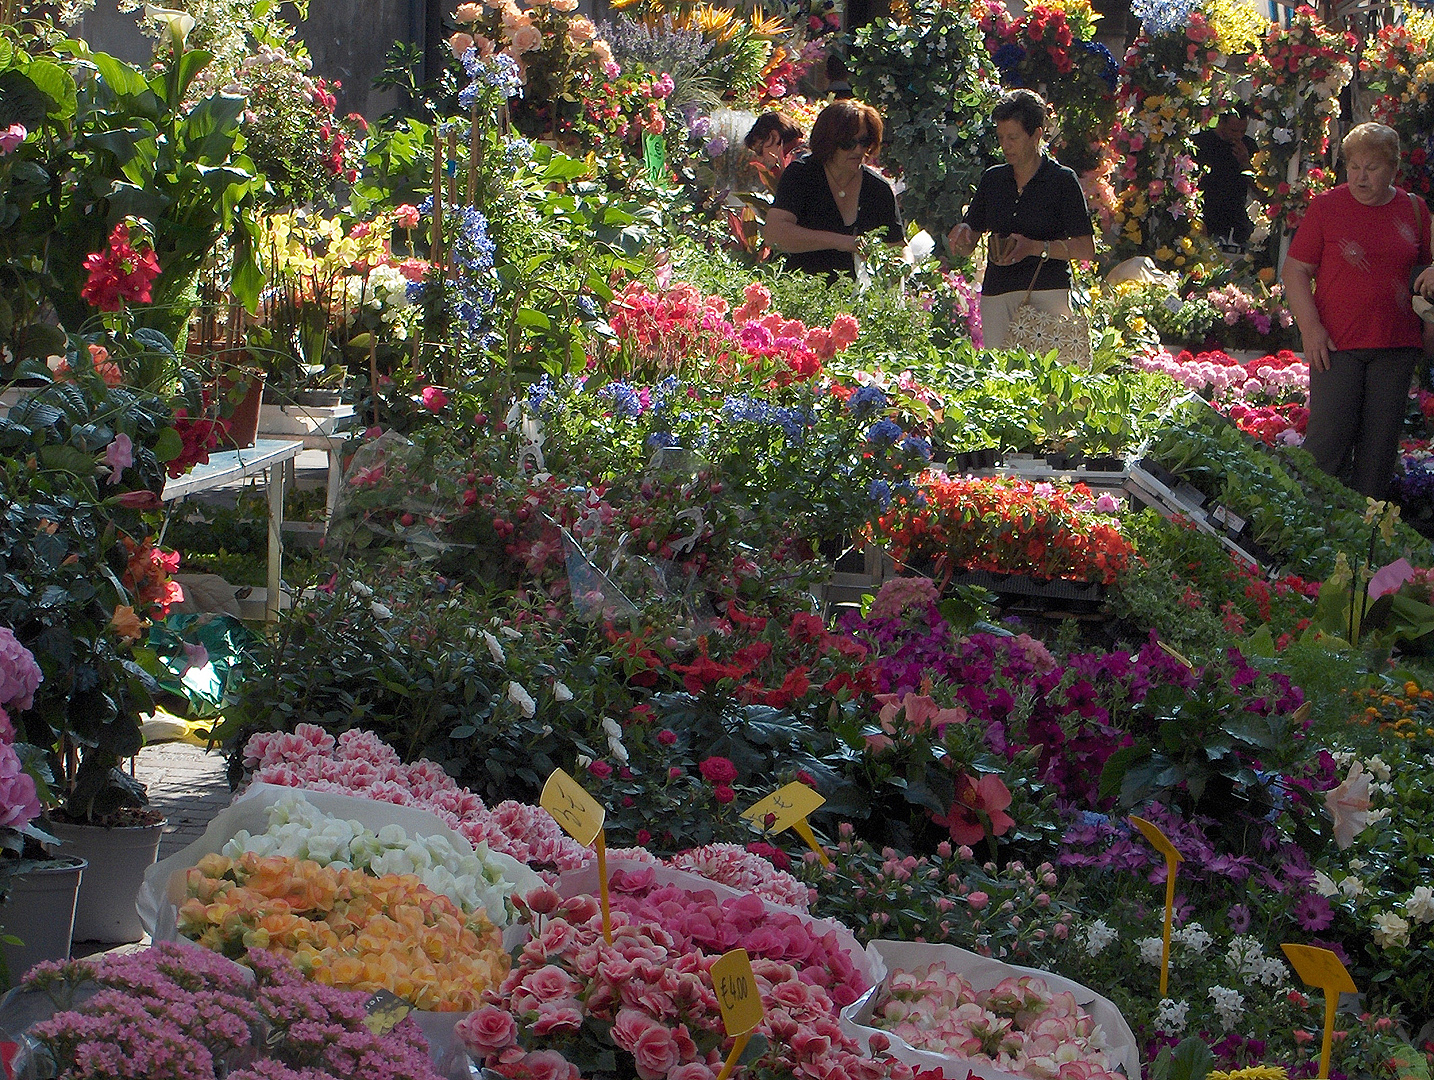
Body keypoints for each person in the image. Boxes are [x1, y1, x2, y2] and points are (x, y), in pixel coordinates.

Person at [1284, 122, 1432, 500]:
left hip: (1395, 346)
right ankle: (1305, 534)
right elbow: (1296, 270)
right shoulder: (1327, 207)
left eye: (1372, 167)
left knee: (1378, 457)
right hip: (1335, 345)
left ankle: (1364, 546)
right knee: (1325, 447)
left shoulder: (1414, 210)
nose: (1361, 177)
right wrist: (1310, 328)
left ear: (1393, 170)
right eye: (1354, 167)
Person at [946, 90, 1096, 350]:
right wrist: (963, 235)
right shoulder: (993, 179)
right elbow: (970, 239)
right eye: (1001, 137)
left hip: (1047, 293)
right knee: (1000, 380)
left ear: (1036, 135)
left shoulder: (1062, 180)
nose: (1005, 145)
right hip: (997, 295)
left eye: (1013, 137)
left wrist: (1035, 248)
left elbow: (1086, 248)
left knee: (1049, 382)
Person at [764, 99, 903, 281]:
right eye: (848, 143)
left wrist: (903, 264)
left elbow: (898, 246)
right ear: (828, 142)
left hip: (857, 300)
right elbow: (774, 234)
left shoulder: (878, 188)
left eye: (864, 141)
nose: (858, 150)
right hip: (800, 293)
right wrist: (843, 242)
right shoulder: (802, 174)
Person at [1193, 109, 1258, 249]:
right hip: (1206, 215)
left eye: (1243, 131)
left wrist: (1246, 163)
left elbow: (1259, 186)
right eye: (1234, 131)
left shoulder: (1248, 145)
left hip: (1236, 218)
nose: (1239, 136)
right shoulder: (1201, 143)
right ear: (1221, 123)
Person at [744, 112, 805, 181]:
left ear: (774, 136)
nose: (761, 158)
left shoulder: (797, 164)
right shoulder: (804, 151)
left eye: (759, 150)